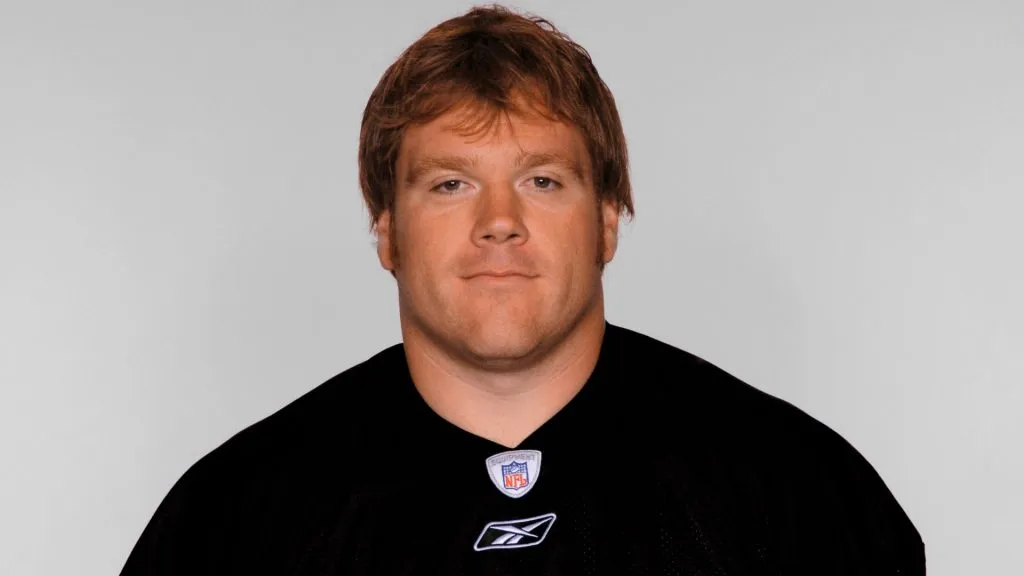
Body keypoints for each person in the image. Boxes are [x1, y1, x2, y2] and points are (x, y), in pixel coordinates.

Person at [120, 4, 925, 574]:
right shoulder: (231, 521)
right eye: (449, 184)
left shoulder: (798, 492)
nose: (499, 221)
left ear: (607, 221)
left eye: (542, 180)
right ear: (386, 231)